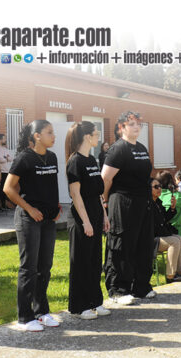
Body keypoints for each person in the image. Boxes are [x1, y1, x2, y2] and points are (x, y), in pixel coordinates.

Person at [4, 120, 62, 331]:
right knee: (29, 267)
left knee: (44, 267)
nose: (53, 136)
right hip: (29, 219)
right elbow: (8, 188)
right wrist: (30, 209)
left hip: (48, 220)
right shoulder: (24, 158)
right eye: (49, 132)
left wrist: (55, 208)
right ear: (37, 135)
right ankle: (25, 317)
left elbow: (50, 186)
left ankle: (41, 312)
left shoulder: (52, 157)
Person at [101, 111, 155, 305]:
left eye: (138, 124)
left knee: (143, 245)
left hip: (143, 203)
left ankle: (141, 286)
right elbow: (105, 179)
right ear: (121, 128)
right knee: (122, 245)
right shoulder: (118, 149)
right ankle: (118, 289)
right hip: (122, 202)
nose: (136, 127)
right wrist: (104, 203)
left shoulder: (141, 148)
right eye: (131, 124)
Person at [65, 122, 111, 320]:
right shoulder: (75, 161)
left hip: (96, 213)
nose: (98, 138)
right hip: (81, 217)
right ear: (87, 137)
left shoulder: (92, 159)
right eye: (96, 134)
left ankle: (95, 302)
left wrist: (104, 216)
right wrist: (85, 221)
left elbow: (98, 192)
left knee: (94, 261)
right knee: (81, 262)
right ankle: (80, 306)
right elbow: (75, 194)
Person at [151, 177, 181, 282]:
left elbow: (165, 218)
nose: (159, 189)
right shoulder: (148, 205)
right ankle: (170, 276)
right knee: (174, 241)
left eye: (160, 186)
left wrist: (172, 207)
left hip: (160, 235)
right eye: (155, 187)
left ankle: (180, 271)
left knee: (179, 238)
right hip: (151, 238)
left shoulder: (158, 202)